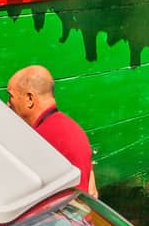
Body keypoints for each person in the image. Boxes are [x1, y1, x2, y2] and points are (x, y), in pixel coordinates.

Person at [6, 65, 95, 194]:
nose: (8, 104)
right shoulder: (72, 128)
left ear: (29, 99)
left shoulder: (43, 139)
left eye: (11, 96)